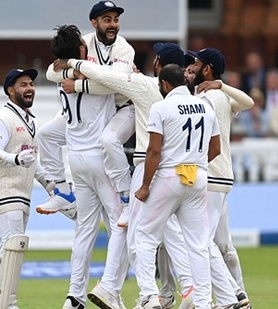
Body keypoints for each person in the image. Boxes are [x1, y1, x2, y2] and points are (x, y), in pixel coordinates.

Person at [54, 42, 196, 309]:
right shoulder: (191, 96)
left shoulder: (145, 85)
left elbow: (107, 79)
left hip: (150, 165)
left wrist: (74, 66)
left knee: (136, 234)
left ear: (159, 65)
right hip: (184, 170)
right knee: (174, 233)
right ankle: (186, 288)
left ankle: (148, 296)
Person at [47, 24, 128, 309]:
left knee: (84, 230)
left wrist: (70, 67)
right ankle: (109, 289)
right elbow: (114, 82)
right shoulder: (93, 71)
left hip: (76, 159)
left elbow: (60, 71)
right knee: (122, 223)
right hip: (98, 158)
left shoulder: (61, 75)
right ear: (81, 49)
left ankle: (74, 296)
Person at [38, 0, 135, 228]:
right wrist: (76, 70)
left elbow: (117, 84)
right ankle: (61, 191)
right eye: (107, 20)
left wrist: (79, 83)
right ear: (94, 23)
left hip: (123, 108)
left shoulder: (124, 48)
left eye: (116, 20)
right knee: (45, 134)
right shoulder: (83, 43)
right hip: (95, 109)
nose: (113, 25)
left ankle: (127, 197)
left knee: (109, 140)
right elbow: (53, 73)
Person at [133, 63, 221, 309]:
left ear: (164, 84)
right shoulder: (206, 106)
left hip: (169, 176)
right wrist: (195, 164)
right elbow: (215, 149)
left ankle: (150, 296)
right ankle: (203, 302)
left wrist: (145, 186)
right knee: (198, 243)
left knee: (145, 235)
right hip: (197, 176)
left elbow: (154, 150)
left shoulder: (160, 107)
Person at [186, 48, 254, 308]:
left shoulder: (211, 96)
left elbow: (249, 103)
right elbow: (247, 103)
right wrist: (221, 86)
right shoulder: (217, 96)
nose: (192, 66)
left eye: (196, 63)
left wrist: (220, 84)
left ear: (207, 68)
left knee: (202, 242)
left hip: (211, 175)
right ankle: (240, 297)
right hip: (221, 176)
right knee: (223, 244)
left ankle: (233, 296)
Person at [0, 68, 47, 309]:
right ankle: (3, 302)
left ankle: (3, 301)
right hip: (3, 190)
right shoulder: (3, 118)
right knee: (12, 245)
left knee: (13, 246)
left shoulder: (30, 120)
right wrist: (16, 160)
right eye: (23, 84)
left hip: (21, 192)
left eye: (31, 83)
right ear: (11, 91)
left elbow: (35, 163)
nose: (29, 88)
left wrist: (51, 185)